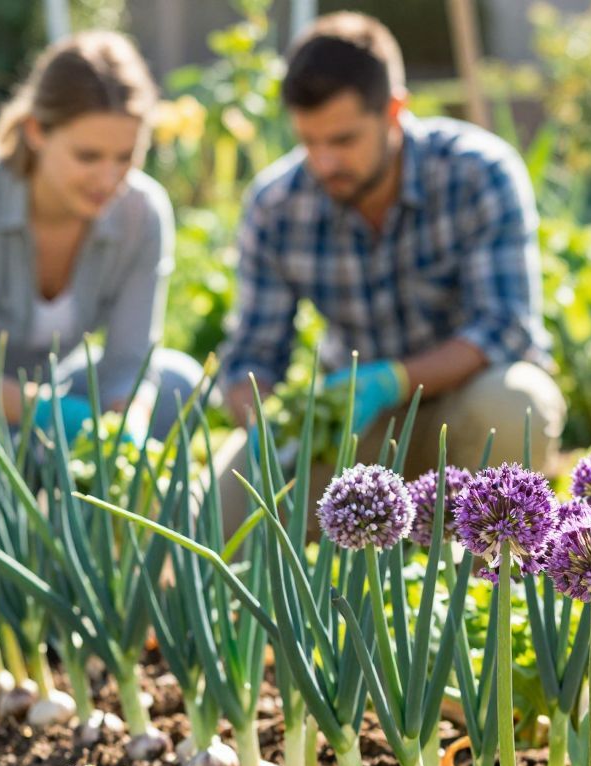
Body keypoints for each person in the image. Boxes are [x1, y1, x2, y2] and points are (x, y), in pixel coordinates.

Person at [212, 11, 565, 503]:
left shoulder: (476, 172)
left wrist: (394, 380)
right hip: (360, 428)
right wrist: (268, 414)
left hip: (467, 405)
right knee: (222, 509)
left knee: (515, 403)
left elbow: (506, 327)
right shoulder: (277, 205)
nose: (324, 162)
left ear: (394, 111)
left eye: (343, 140)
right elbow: (253, 354)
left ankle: (489, 567)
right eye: (309, 142)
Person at [0, 30, 199, 472]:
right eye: (87, 156)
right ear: (36, 131)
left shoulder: (141, 212)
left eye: (126, 155)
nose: (109, 179)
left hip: (43, 389)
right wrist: (63, 417)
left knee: (178, 383)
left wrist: (130, 424)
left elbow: (130, 363)